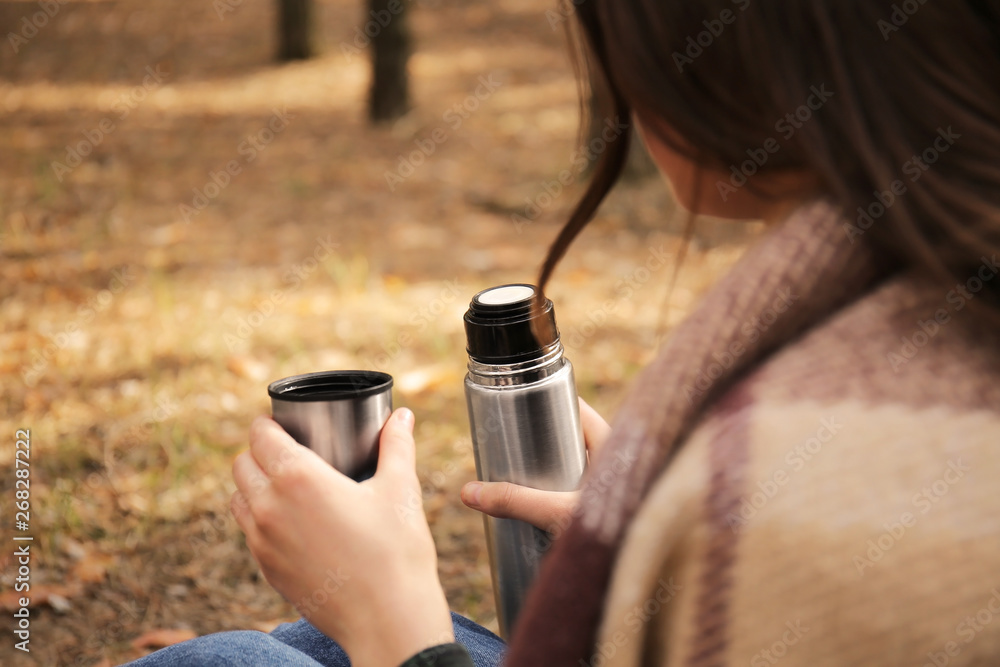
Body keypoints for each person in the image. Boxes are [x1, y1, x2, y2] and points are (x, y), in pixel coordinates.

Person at [126, 0, 1000, 665]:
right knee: (299, 643)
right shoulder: (937, 291)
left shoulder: (803, 487)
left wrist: (399, 620)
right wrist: (652, 542)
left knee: (235, 657)